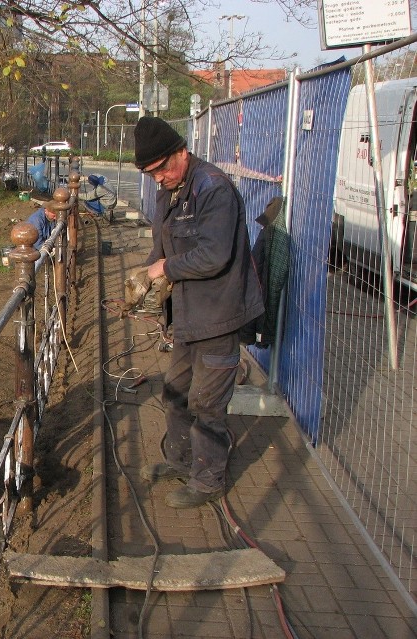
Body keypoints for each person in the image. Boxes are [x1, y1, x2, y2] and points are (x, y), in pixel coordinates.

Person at [133, 116, 264, 509]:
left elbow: (215, 254)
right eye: (149, 173)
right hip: (189, 316)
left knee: (207, 401)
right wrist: (148, 276)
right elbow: (164, 244)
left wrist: (165, 269)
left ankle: (208, 480)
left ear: (181, 153)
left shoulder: (214, 189)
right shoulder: (170, 189)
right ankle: (180, 461)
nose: (157, 179)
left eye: (160, 170)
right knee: (175, 390)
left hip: (219, 313)